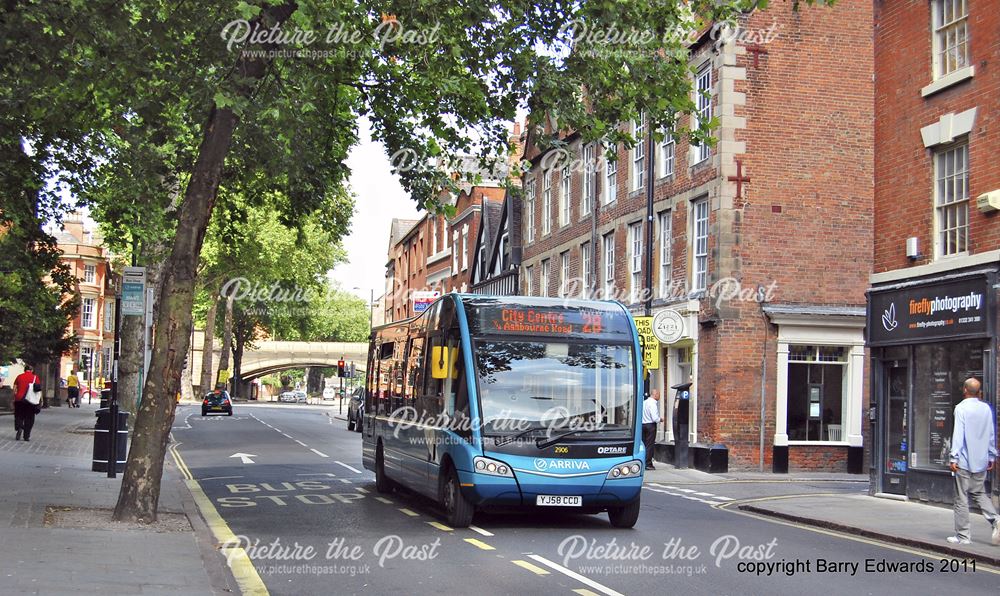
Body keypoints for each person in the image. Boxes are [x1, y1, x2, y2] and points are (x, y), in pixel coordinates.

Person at [947, 377, 999, 546]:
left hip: (963, 461)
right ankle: (996, 519)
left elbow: (958, 435)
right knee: (979, 493)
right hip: (981, 460)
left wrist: (953, 457)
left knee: (961, 498)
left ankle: (963, 537)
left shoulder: (961, 408)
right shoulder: (986, 408)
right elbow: (991, 434)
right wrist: (991, 456)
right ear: (979, 391)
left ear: (964, 390)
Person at [12, 365, 40, 441]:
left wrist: (14, 396)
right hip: (30, 401)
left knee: (18, 415)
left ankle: (20, 426)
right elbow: (38, 390)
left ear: (24, 370)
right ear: (32, 370)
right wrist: (40, 400)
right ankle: (26, 436)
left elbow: (14, 388)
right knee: (30, 418)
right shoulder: (35, 377)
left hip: (19, 399)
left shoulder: (19, 376)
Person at [642, 388, 663, 470]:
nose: (659, 396)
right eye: (659, 395)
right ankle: (648, 464)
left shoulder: (644, 402)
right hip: (650, 426)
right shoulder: (653, 403)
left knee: (644, 444)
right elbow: (654, 418)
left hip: (643, 425)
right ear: (655, 394)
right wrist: (660, 419)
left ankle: (643, 462)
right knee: (649, 445)